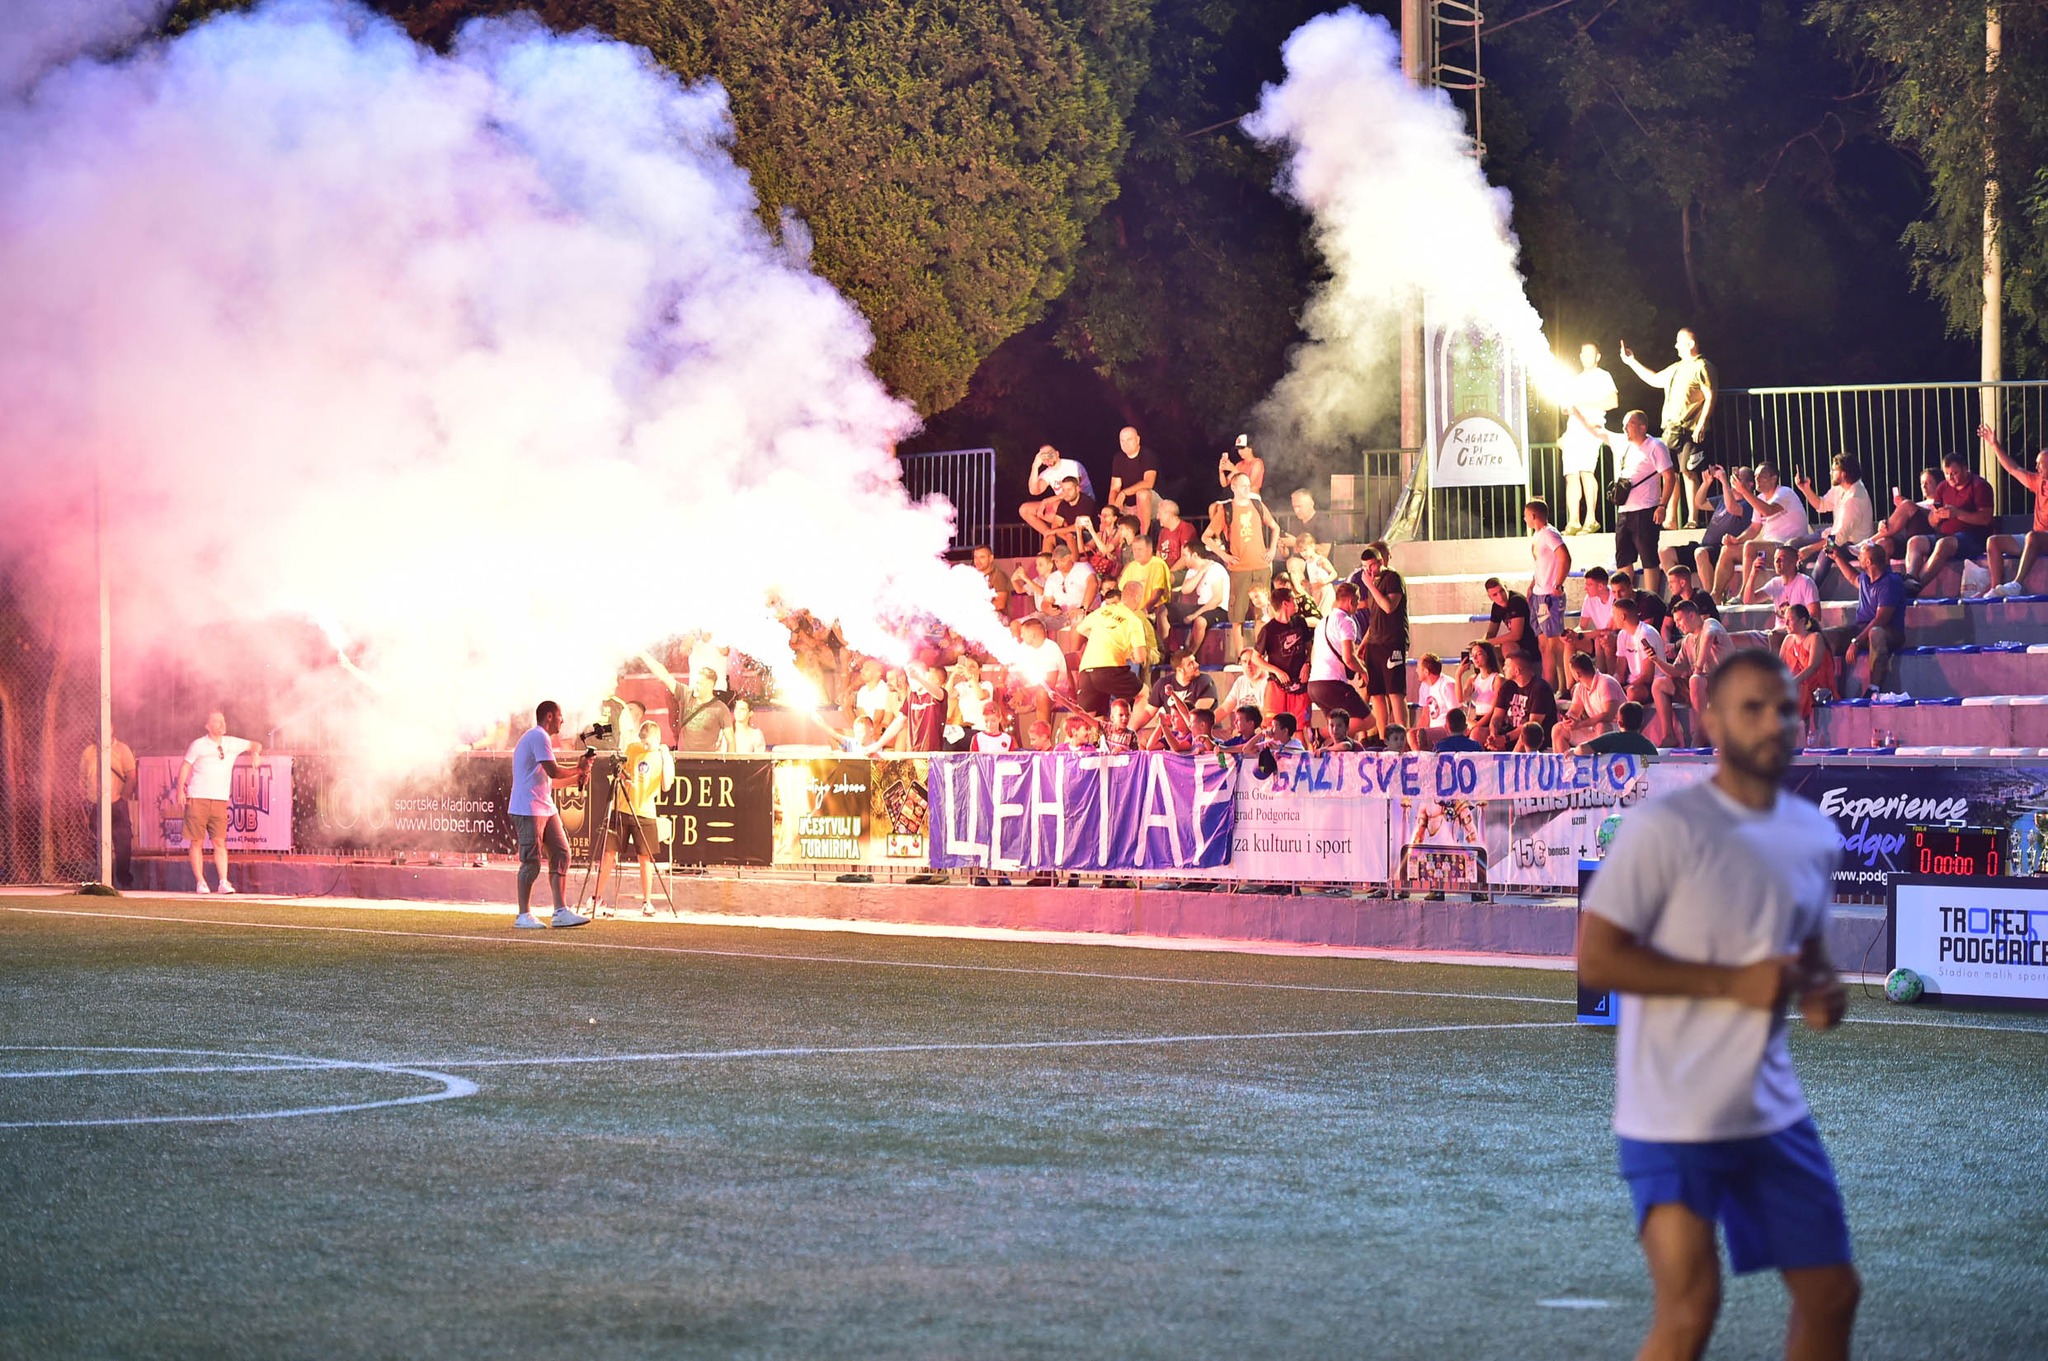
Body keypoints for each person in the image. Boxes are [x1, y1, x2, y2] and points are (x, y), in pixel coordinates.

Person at [1578, 651, 1857, 1361]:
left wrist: (1823, 994)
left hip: (1770, 1111)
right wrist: (1730, 983)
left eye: (1786, 708)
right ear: (1712, 720)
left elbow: (1808, 963)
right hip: (1670, 1113)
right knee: (1690, 1311)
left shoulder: (1814, 835)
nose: (1774, 723)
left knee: (1832, 1295)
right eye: (1753, 708)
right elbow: (1598, 959)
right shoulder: (1665, 828)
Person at [508, 701, 595, 929]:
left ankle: (560, 911)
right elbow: (553, 771)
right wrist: (578, 769)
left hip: (543, 807)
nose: (562, 721)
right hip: (528, 809)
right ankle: (523, 915)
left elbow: (550, 781)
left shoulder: (539, 739)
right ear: (549, 716)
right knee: (532, 862)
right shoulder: (539, 737)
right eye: (560, 716)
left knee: (561, 852)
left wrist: (578, 775)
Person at [1618, 327, 1715, 528]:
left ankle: (1692, 519)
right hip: (1671, 429)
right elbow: (1654, 379)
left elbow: (1711, 395)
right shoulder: (1677, 368)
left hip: (1691, 428)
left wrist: (1703, 422)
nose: (1675, 346)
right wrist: (1631, 362)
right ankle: (1670, 518)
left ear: (1690, 344)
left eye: (1679, 342)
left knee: (1689, 472)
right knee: (1669, 473)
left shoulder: (1702, 366)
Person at [592, 719, 673, 916]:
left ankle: (647, 902)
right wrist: (624, 777)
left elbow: (667, 785)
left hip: (645, 812)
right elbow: (622, 772)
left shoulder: (662, 755)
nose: (645, 746)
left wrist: (665, 756)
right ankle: (596, 898)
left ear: (657, 739)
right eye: (643, 742)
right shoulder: (632, 748)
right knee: (609, 853)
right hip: (622, 808)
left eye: (649, 743)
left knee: (645, 858)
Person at [175, 711, 262, 894]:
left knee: (219, 841)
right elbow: (185, 766)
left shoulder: (231, 743)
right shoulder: (198, 745)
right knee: (197, 841)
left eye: (223, 721)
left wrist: (255, 754)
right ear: (207, 726)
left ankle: (223, 881)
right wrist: (180, 790)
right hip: (198, 796)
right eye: (216, 721)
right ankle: (201, 882)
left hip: (220, 799)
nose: (221, 724)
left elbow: (256, 745)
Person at [1204, 470, 1280, 658]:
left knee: (1262, 614)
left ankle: (1260, 654)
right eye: (1243, 486)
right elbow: (1206, 537)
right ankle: (1241, 657)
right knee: (1237, 616)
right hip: (1239, 569)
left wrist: (1271, 549)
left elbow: (1275, 526)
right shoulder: (1226, 509)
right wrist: (1224, 555)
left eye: (1248, 485)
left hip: (1260, 566)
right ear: (1234, 487)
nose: (1247, 489)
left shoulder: (1257, 504)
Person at [1821, 539, 1907, 698]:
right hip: (1862, 629)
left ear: (1868, 561)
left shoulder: (1890, 582)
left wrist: (1856, 641)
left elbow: (1881, 619)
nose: (1858, 559)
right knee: (1827, 636)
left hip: (1888, 632)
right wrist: (1837, 557)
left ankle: (1874, 688)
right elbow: (1853, 578)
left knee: (1876, 632)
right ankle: (1826, 685)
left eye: (1860, 556)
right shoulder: (1866, 579)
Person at [1903, 450, 1997, 593]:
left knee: (1943, 544)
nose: (1950, 478)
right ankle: (1910, 578)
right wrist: (1937, 516)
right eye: (1947, 474)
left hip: (1973, 537)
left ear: (1965, 469)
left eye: (1954, 473)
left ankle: (1917, 586)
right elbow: (1932, 522)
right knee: (1915, 542)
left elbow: (1985, 518)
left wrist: (1958, 514)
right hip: (1947, 534)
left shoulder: (1979, 486)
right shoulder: (1942, 487)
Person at [1646, 597, 1731, 748]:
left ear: (1692, 615)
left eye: (1679, 620)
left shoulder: (1710, 623)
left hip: (1723, 684)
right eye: (1675, 621)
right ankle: (1669, 735)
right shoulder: (1687, 641)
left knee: (1695, 679)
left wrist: (1697, 669)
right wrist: (1656, 660)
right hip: (1700, 686)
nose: (1677, 625)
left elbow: (1709, 636)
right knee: (1659, 684)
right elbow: (1675, 671)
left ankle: (1701, 732)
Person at [1726, 463, 1811, 606]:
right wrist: (1736, 540)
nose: (1757, 479)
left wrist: (1744, 492)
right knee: (1727, 550)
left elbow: (1768, 510)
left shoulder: (1785, 493)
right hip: (1770, 547)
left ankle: (1743, 595)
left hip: (1787, 547)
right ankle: (1715, 595)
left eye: (1762, 477)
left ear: (1773, 479)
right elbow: (1754, 528)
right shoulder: (1761, 497)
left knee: (1750, 546)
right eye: (1756, 476)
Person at [1560, 342, 1620, 534]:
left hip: (1592, 428)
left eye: (1590, 354)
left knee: (1586, 471)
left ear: (1598, 356)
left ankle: (1591, 519)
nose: (1586, 357)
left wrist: (1583, 403)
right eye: (1583, 353)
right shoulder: (1574, 380)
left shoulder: (1603, 377)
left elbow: (1613, 402)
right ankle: (1574, 520)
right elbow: (1564, 407)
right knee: (1571, 475)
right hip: (1573, 430)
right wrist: (1568, 407)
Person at [1604, 411, 1674, 577]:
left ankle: (1650, 598)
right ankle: (1626, 599)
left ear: (1642, 427)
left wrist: (1662, 506)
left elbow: (1669, 477)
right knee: (1623, 558)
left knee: (1648, 557)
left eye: (1629, 424)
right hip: (1624, 510)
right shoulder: (1627, 446)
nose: (1624, 428)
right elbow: (1598, 431)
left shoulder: (1655, 446)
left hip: (1646, 508)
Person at [1983, 423, 2048, 595]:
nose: (2037, 467)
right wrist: (1994, 445)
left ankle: (2016, 584)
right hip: (2035, 540)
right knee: (1993, 541)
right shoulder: (2038, 481)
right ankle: (1995, 589)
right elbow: (2014, 469)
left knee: (2032, 536)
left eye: (2040, 464)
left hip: (2040, 539)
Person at [1792, 453, 1875, 587]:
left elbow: (1837, 540)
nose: (1830, 473)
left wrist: (1811, 549)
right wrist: (1805, 489)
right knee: (1793, 545)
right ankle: (1793, 586)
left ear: (1843, 474)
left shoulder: (1854, 500)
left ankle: (1811, 590)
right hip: (1834, 534)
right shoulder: (1840, 488)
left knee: (1827, 551)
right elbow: (1821, 505)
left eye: (1833, 470)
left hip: (1852, 545)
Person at [1073, 580, 1154, 715]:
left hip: (1086, 669)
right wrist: (1130, 654)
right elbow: (1140, 657)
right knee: (1143, 693)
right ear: (1138, 597)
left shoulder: (1104, 610)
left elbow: (1080, 629)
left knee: (1092, 719)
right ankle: (1132, 731)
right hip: (1109, 669)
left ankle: (1094, 736)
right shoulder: (1133, 621)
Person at [1668, 464, 1754, 588]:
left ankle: (1709, 597)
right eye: (1733, 477)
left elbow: (1732, 508)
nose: (1734, 480)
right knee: (1665, 552)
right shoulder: (1722, 499)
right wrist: (1706, 483)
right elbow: (1699, 503)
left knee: (1700, 553)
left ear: (1750, 484)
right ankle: (1678, 591)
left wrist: (1724, 481)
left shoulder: (1749, 504)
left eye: (1739, 478)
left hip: (1720, 550)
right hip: (1704, 547)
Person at [1357, 547, 1410, 739]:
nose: (1369, 570)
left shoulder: (1392, 578)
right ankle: (1382, 737)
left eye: (1372, 565)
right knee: (1377, 693)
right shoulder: (1374, 583)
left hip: (1392, 642)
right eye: (1365, 567)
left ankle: (1403, 737)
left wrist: (1369, 586)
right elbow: (1374, 617)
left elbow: (1388, 607)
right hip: (1375, 642)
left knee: (1395, 692)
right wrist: (1364, 643)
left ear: (1381, 562)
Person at [79, 729, 138, 889]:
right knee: (96, 842)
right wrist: (85, 799)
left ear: (113, 729)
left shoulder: (122, 749)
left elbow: (131, 776)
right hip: (95, 802)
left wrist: (123, 798)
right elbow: (82, 777)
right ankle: (103, 879)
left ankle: (124, 880)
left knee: (123, 842)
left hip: (116, 801)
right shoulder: (89, 752)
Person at [1248, 586, 1314, 726]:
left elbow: (1309, 647)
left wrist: (1307, 664)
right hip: (1277, 685)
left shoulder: (1299, 622)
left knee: (1301, 726)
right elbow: (1255, 658)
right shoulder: (1268, 629)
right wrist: (1277, 671)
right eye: (1293, 601)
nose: (1296, 604)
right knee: (1273, 726)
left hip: (1300, 683)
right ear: (1285, 603)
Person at [1525, 499, 1571, 688]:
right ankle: (1548, 686)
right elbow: (1542, 564)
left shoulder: (1550, 534)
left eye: (1526, 515)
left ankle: (1564, 686)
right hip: (1538, 594)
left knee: (1555, 644)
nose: (1525, 519)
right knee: (1544, 645)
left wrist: (1558, 585)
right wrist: (1533, 583)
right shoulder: (1537, 536)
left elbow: (1564, 558)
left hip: (1549, 596)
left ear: (1534, 516)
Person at [1307, 581, 1368, 722]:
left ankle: (1324, 737)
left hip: (1314, 684)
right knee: (1366, 720)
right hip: (1332, 683)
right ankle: (1321, 734)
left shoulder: (1323, 622)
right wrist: (1364, 671)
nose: (1358, 604)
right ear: (1351, 600)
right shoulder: (1346, 621)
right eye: (1357, 599)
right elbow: (1349, 658)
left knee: (1337, 724)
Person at [1781, 603, 1836, 739]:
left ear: (1803, 621)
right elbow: (1779, 666)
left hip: (1817, 688)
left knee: (1800, 691)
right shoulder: (1788, 640)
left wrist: (1792, 683)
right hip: (1796, 684)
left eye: (1790, 619)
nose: (1786, 623)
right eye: (1785, 619)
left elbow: (1813, 667)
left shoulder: (1815, 638)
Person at [1486, 651, 1559, 751]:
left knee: (1525, 736)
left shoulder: (1540, 688)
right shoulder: (1507, 686)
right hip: (1510, 733)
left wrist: (1505, 738)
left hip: (1534, 739)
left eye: (1506, 666)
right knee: (1478, 733)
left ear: (1517, 671)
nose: (1503, 669)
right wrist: (1493, 735)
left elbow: (1532, 725)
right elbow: (1497, 716)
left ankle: (1513, 762)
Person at [1553, 652, 1626, 753]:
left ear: (1577, 673)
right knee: (1558, 729)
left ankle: (1602, 766)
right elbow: (1574, 711)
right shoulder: (1580, 688)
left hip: (1617, 729)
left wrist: (1580, 724)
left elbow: (1608, 715)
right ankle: (1566, 767)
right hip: (1594, 729)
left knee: (1601, 726)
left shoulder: (1605, 682)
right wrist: (1569, 719)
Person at [1105, 426, 1160, 535]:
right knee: (1108, 510)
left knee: (1142, 494)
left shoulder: (1147, 455)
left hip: (1151, 502)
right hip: (1129, 506)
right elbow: (1115, 487)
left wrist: (1124, 493)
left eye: (1129, 439)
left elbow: (1148, 483)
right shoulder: (1118, 458)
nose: (1125, 444)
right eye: (1122, 440)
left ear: (1138, 439)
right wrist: (1112, 509)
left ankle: (1143, 537)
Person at [1481, 577, 1543, 673]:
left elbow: (1516, 635)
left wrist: (1489, 642)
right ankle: (1497, 682)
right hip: (1520, 647)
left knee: (1507, 647)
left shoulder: (1516, 601)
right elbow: (1491, 632)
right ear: (1490, 597)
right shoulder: (1496, 606)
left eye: (1502, 591)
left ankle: (1515, 683)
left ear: (1506, 587)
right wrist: (1481, 646)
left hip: (1532, 646)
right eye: (1495, 595)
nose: (1500, 597)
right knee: (1483, 654)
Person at [1579, 700, 1659, 756]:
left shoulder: (1612, 739)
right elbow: (1647, 767)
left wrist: (1573, 751)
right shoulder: (1647, 746)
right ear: (1641, 723)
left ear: (1619, 723)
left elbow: (1583, 749)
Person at [970, 544, 1012, 616]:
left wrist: (976, 609)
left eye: (982, 557)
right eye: (975, 557)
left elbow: (1000, 603)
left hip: (996, 616)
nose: (977, 561)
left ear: (991, 558)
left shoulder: (998, 576)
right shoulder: (972, 575)